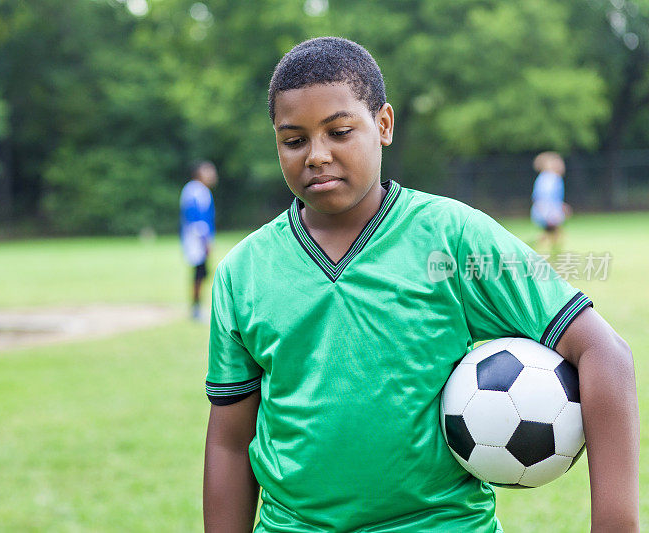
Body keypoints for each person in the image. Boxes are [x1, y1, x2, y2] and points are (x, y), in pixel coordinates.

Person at [203, 37, 638, 532]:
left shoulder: (452, 239)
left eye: (340, 131)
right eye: (294, 140)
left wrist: (616, 523)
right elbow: (229, 442)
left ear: (383, 125)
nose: (317, 155)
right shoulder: (244, 272)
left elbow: (605, 354)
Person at [180, 160, 217, 320]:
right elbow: (198, 220)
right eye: (208, 171)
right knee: (199, 273)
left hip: (194, 238)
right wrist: (205, 241)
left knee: (201, 272)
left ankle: (196, 307)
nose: (212, 175)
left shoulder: (192, 189)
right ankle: (195, 309)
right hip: (196, 240)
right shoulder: (198, 191)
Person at [531, 151, 570, 255]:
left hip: (546, 212)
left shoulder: (545, 177)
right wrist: (549, 214)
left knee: (551, 234)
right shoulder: (551, 178)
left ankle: (551, 253)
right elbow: (543, 198)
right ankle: (552, 254)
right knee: (556, 234)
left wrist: (561, 206)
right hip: (548, 213)